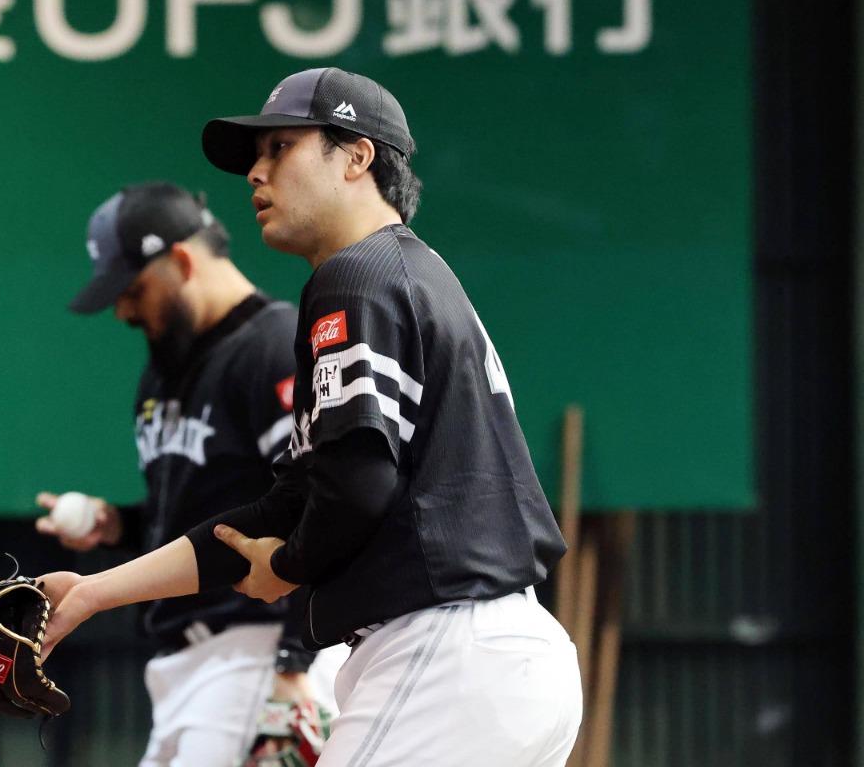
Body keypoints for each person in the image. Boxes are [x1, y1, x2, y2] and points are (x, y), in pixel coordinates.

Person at [39, 70, 583, 767]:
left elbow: (357, 487)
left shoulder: (355, 278)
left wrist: (288, 567)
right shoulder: (402, 273)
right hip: (491, 653)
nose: (256, 174)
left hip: (445, 652)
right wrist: (92, 593)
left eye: (280, 148)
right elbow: (284, 505)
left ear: (356, 156)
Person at [37, 181, 346, 767]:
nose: (123, 311)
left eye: (133, 290)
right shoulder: (166, 370)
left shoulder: (273, 346)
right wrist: (113, 523)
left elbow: (317, 508)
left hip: (252, 651)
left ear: (181, 261)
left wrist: (291, 666)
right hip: (183, 667)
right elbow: (189, 509)